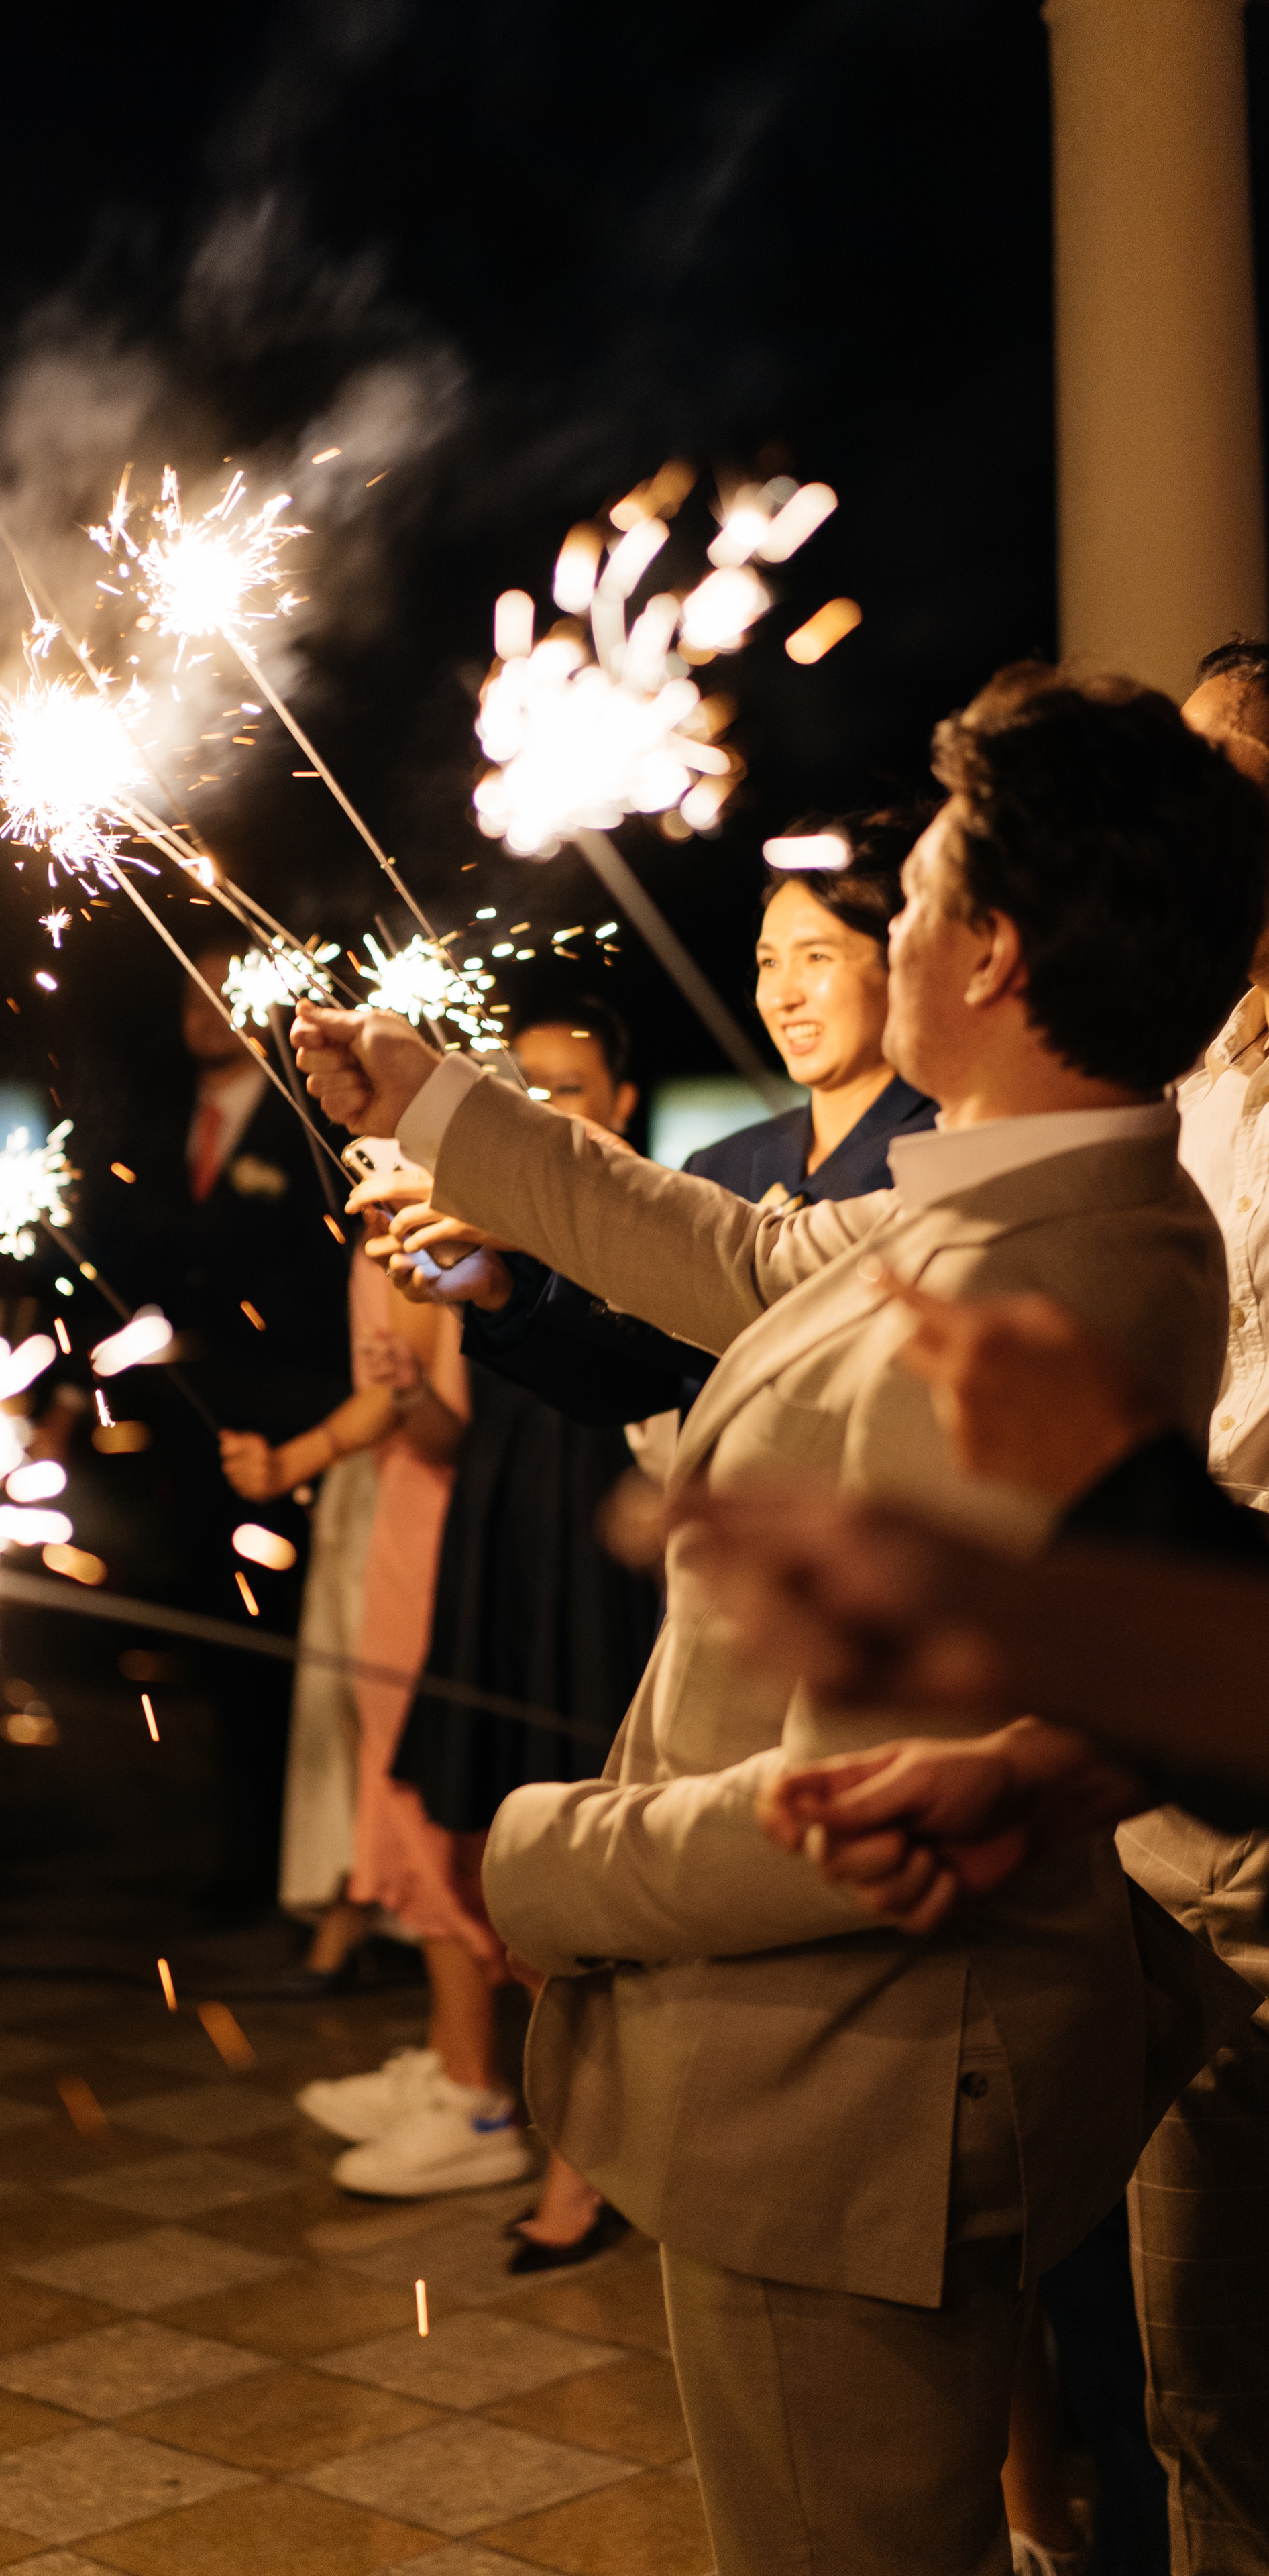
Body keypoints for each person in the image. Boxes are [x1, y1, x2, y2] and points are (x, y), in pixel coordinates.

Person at [291, 662, 1269, 2576]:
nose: (881, 924)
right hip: (881, 2071)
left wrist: (540, 1861)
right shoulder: (1036, 1190)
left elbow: (871, 1817)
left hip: (860, 2097)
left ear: (985, 957)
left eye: (913, 896)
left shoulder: (1037, 1277)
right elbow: (742, 1256)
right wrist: (442, 1102)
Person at [296, 1016, 661, 2268]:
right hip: (508, 1538)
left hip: (608, 1544)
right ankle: (519, 2107)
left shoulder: (658, 1209)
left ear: (623, 1092)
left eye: (571, 1086)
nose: (550, 1106)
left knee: (612, 1846)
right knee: (518, 1844)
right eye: (528, 1089)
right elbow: (475, 1387)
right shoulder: (489, 1204)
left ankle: (589, 2155)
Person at [390, 819, 938, 1430]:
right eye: (769, 962)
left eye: (816, 957)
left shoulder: (939, 1158)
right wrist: (499, 1288)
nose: (784, 994)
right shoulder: (722, 1164)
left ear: (902, 962)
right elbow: (648, 1381)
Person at [80, 941, 351, 1917]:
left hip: (295, 1430)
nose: (204, 1010)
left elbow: (321, 1286)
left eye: (221, 993)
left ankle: (317, 1865)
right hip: (190, 1436)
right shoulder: (158, 1131)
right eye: (188, 991)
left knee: (296, 1646)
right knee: (217, 1645)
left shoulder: (305, 1127)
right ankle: (246, 1853)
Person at [219, 1213, 467, 1986]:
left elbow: (410, 1398)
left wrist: (293, 1459)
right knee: (383, 1730)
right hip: (392, 1486)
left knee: (404, 1739)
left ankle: (465, 2053)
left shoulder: (412, 1228)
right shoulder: (377, 1228)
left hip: (426, 1503)